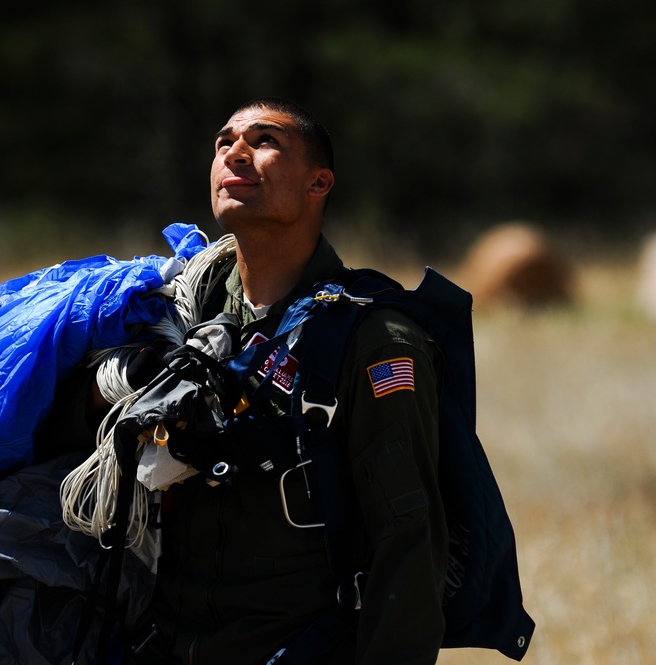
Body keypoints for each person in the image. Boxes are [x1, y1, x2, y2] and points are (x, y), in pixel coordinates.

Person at [123, 98, 450, 664]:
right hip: (166, 641)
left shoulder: (373, 340)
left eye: (264, 140)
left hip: (295, 645)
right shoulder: (177, 314)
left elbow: (408, 539)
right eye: (224, 142)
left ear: (318, 182)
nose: (236, 152)